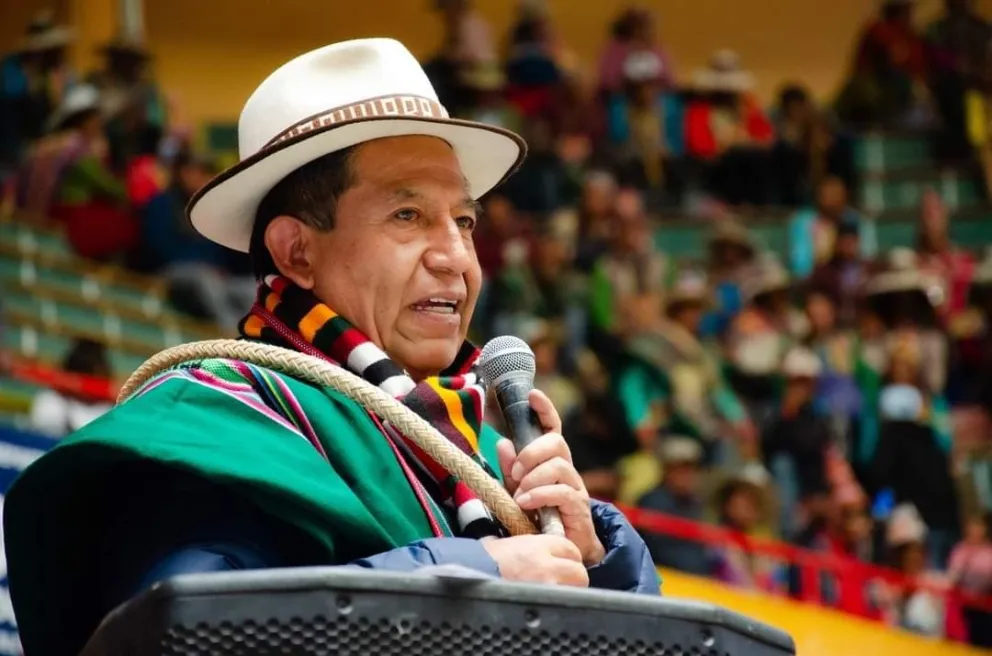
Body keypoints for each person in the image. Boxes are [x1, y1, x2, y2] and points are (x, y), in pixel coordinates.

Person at [3, 39, 659, 656]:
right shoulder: (213, 423)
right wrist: (472, 580)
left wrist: (598, 565)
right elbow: (192, 637)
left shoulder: (487, 459)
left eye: (463, 221)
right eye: (408, 216)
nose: (457, 257)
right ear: (296, 251)